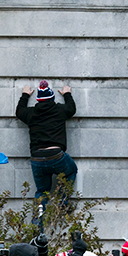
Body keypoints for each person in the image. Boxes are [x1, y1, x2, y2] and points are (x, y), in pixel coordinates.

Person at [16, 81, 78, 214]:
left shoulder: (31, 113)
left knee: (42, 192)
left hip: (37, 158)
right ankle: (62, 202)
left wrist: (25, 95)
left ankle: (38, 225)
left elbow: (19, 111)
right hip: (56, 155)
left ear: (38, 99)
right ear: (52, 98)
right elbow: (71, 108)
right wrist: (67, 93)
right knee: (71, 171)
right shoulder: (60, 110)